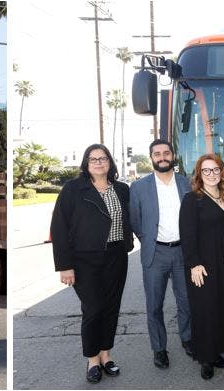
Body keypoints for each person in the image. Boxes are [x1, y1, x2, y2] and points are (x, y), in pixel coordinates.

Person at [51, 144, 133, 384]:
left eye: (103, 158)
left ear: (110, 162)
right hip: (84, 259)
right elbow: (59, 227)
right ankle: (92, 360)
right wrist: (64, 265)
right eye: (93, 159)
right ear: (86, 164)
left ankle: (106, 355)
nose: (98, 162)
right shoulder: (73, 189)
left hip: (116, 256)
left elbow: (131, 218)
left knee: (111, 307)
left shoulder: (122, 189)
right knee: (93, 308)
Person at [128, 139, 193, 369]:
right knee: (154, 305)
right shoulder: (139, 187)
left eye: (166, 153)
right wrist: (148, 241)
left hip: (183, 252)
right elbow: (135, 220)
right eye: (157, 154)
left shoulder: (186, 183)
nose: (162, 157)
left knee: (186, 301)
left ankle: (188, 339)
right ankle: (159, 349)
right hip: (155, 253)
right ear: (151, 158)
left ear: (173, 155)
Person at [179, 153, 224, 380]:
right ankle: (205, 358)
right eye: (206, 170)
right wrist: (193, 264)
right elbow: (187, 235)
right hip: (202, 264)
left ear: (221, 171)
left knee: (221, 307)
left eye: (215, 169)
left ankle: (216, 351)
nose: (211, 174)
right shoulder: (192, 199)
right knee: (204, 311)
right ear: (199, 174)